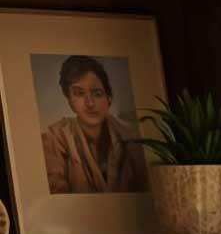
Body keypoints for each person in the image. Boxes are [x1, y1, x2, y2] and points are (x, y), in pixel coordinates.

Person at [41, 55, 148, 195]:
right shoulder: (55, 137)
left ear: (108, 97)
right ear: (69, 99)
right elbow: (55, 194)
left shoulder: (132, 138)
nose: (90, 103)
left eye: (97, 94)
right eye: (79, 93)